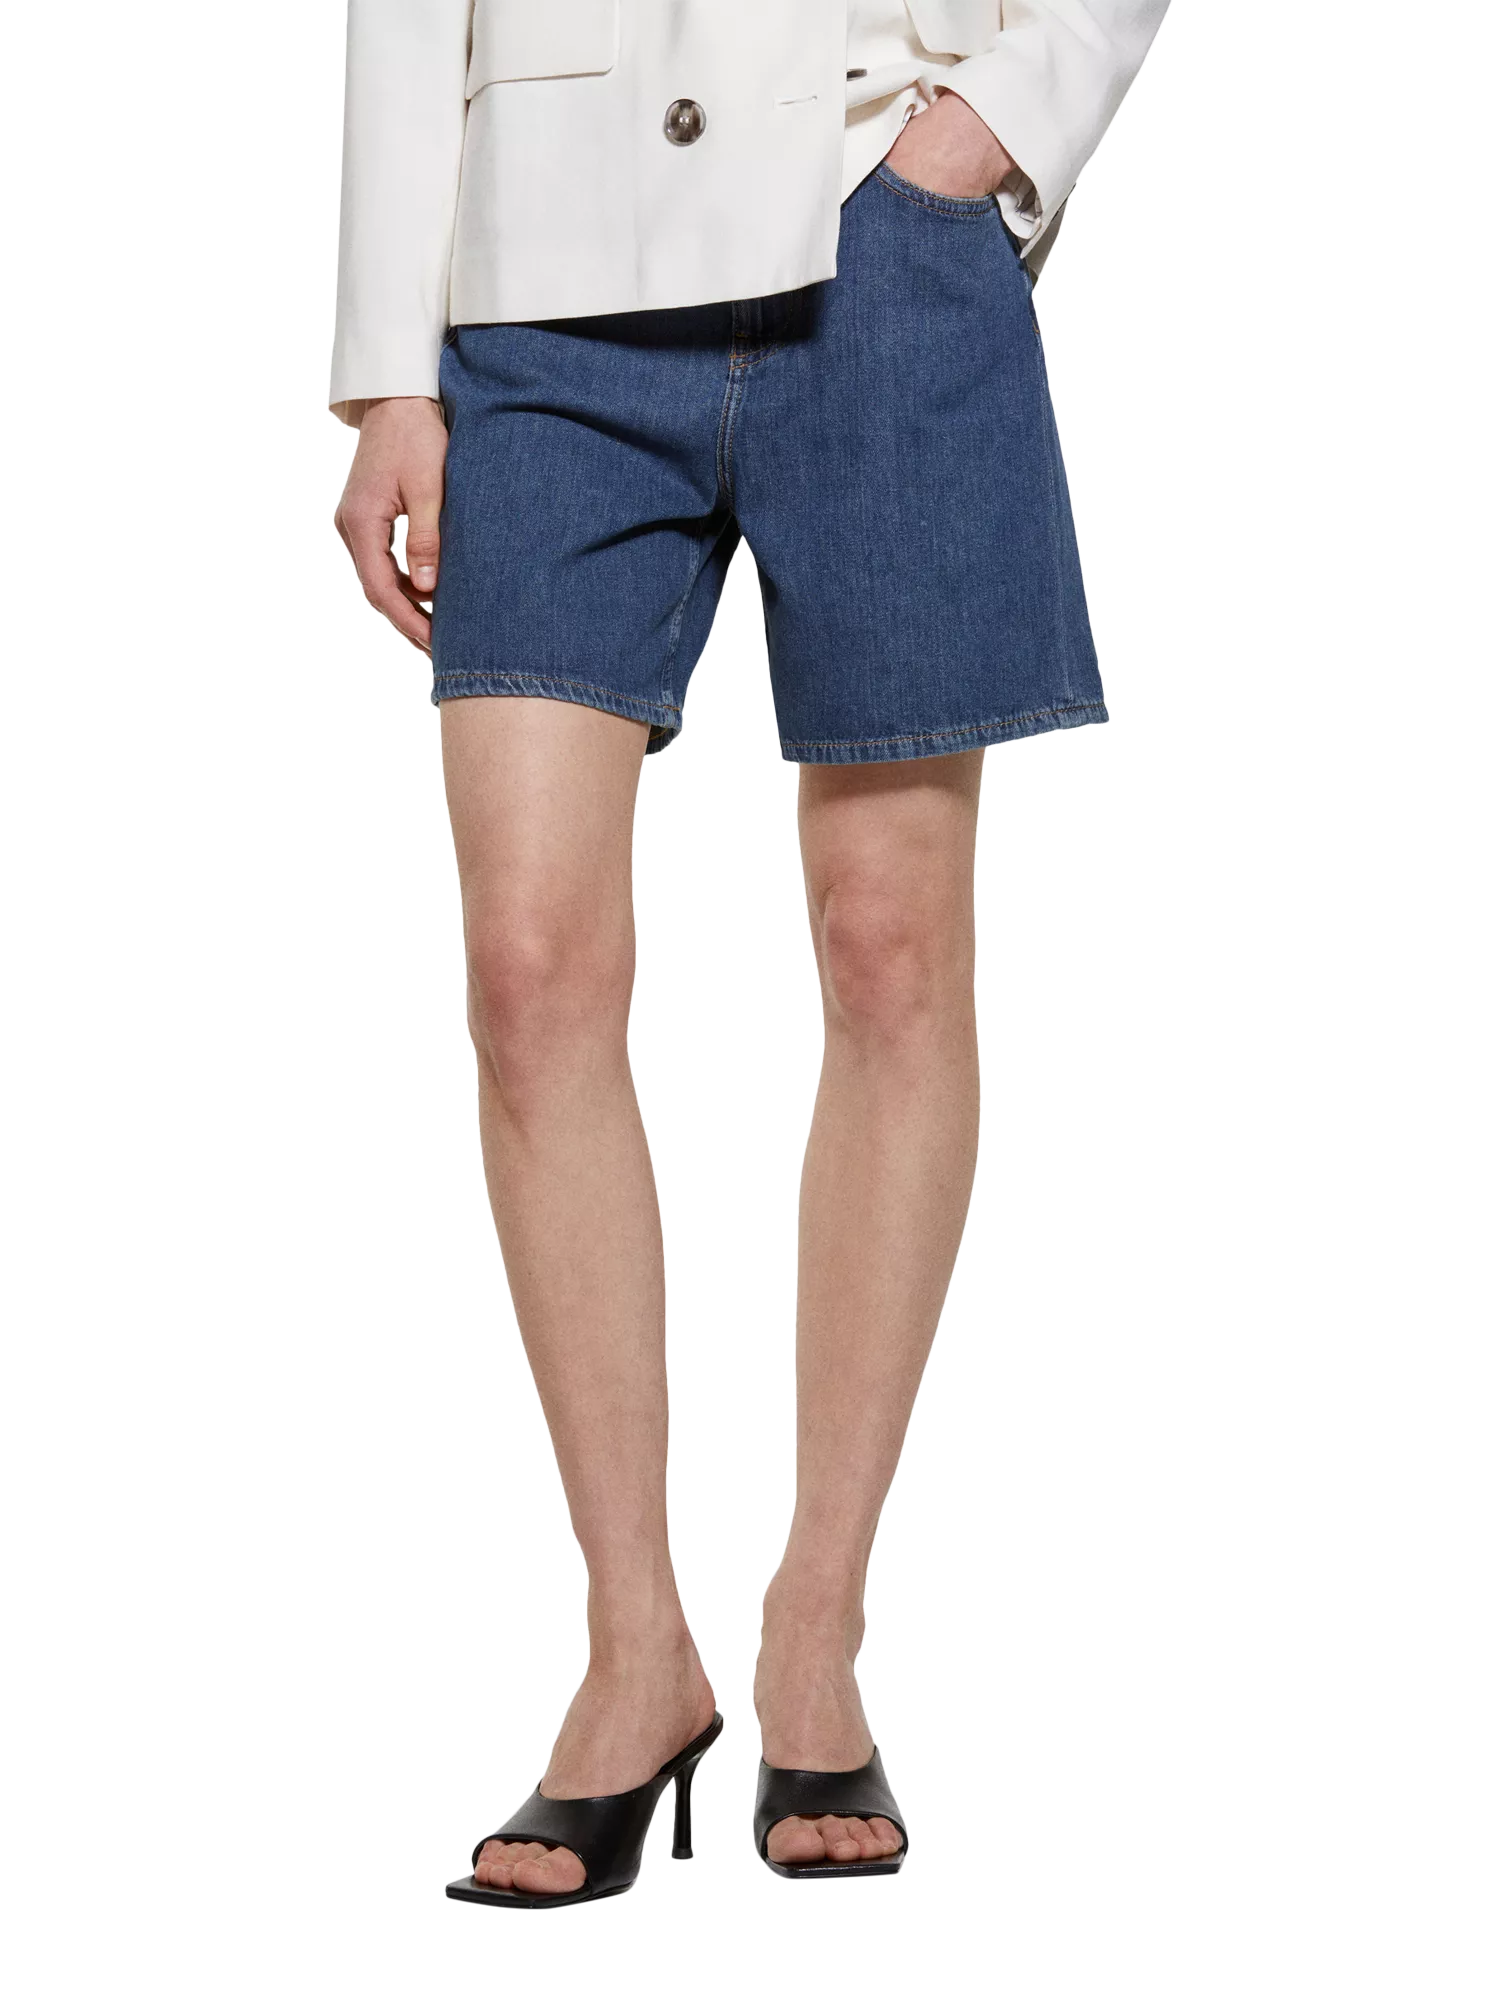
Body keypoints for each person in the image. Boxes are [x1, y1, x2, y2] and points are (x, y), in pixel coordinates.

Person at [331, 0, 1170, 1908]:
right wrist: (388, 369)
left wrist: (989, 131)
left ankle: (815, 1627)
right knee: (528, 968)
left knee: (891, 952)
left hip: (888, 245)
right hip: (548, 284)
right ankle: (636, 1652)